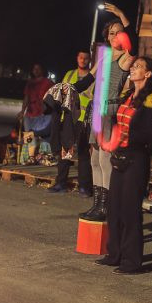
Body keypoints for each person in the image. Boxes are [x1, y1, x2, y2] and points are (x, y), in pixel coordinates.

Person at [95, 56, 152, 275]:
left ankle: (132, 261)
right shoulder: (128, 96)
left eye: (138, 67)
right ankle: (114, 254)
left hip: (136, 157)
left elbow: (151, 133)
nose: (133, 69)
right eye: (133, 66)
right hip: (120, 155)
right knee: (114, 207)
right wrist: (113, 138)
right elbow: (116, 120)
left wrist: (124, 137)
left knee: (130, 210)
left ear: (149, 73)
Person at [76, 3, 138, 221]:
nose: (115, 36)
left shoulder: (126, 57)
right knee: (94, 160)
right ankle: (98, 204)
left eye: (119, 33)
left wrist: (121, 14)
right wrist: (70, 89)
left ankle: (107, 207)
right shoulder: (105, 56)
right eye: (112, 33)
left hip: (111, 109)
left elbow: (134, 39)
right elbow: (88, 79)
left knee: (105, 160)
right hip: (97, 110)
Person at [48, 51, 93, 196]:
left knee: (83, 154)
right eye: (80, 57)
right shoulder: (69, 74)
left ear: (89, 60)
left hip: (83, 119)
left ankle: (84, 187)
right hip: (68, 118)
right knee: (65, 152)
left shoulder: (93, 78)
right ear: (77, 59)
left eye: (86, 58)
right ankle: (61, 183)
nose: (83, 60)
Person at [17, 63, 54, 164]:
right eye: (34, 69)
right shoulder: (30, 83)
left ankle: (42, 158)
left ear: (43, 70)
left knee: (42, 137)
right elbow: (26, 98)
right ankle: (28, 158)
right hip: (30, 113)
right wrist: (22, 110)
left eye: (38, 69)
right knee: (29, 136)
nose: (36, 71)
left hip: (43, 115)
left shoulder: (48, 82)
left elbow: (53, 97)